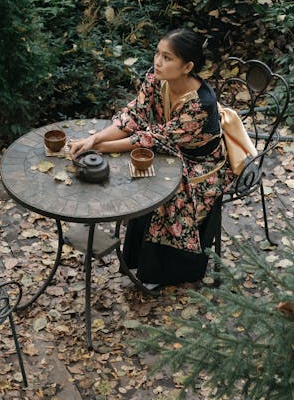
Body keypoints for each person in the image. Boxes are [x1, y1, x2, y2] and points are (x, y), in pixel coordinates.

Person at [69, 28, 232, 287]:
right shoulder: (156, 79)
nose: (158, 62)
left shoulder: (201, 105)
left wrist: (99, 148)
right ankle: (135, 259)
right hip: (166, 150)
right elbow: (135, 116)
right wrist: (96, 138)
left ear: (187, 66)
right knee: (135, 171)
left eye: (167, 58)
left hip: (201, 165)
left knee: (168, 191)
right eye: (157, 53)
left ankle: (165, 271)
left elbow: (152, 138)